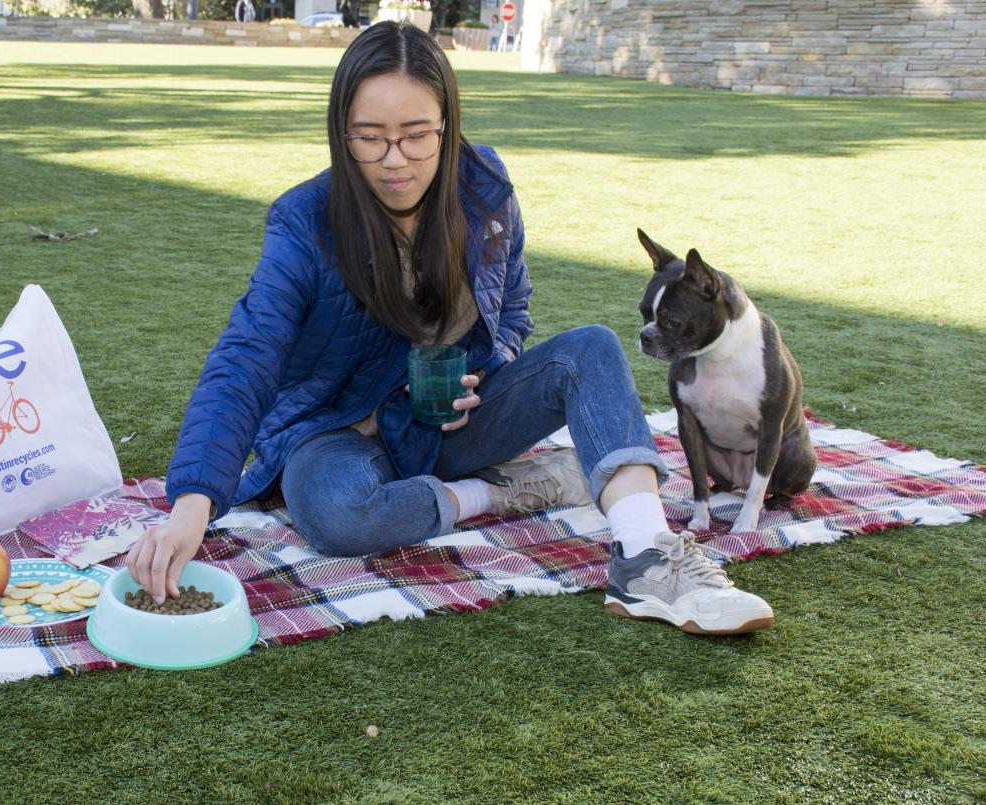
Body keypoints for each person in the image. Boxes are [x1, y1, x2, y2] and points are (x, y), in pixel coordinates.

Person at [127, 21, 775, 636]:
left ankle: (644, 558)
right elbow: (247, 356)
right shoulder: (305, 223)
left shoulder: (484, 189)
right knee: (331, 510)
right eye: (370, 136)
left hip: (450, 420)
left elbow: (514, 307)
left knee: (591, 350)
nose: (394, 159)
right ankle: (494, 492)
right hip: (336, 433)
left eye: (416, 135)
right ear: (340, 133)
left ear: (446, 126)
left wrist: (489, 369)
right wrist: (193, 503)